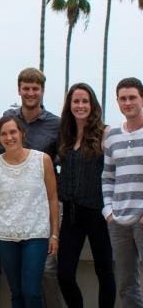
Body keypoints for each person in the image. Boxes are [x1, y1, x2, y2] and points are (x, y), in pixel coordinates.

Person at [3, 68, 63, 307]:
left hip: (44, 205)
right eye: (26, 88)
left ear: (42, 91)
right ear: (19, 90)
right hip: (14, 208)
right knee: (18, 282)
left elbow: (63, 160)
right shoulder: (9, 119)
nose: (30, 93)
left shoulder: (55, 124)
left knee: (48, 271)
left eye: (35, 88)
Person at [0, 116, 59, 308]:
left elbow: (52, 198)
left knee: (32, 292)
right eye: (3, 134)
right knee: (16, 293)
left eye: (13, 132)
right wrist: (1, 230)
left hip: (36, 235)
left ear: (22, 133)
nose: (9, 137)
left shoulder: (42, 160)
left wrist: (54, 234)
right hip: (6, 237)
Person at [56, 83, 116, 307]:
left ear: (92, 105)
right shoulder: (65, 136)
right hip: (71, 215)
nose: (80, 106)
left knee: (104, 271)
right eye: (76, 101)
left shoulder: (106, 133)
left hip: (99, 213)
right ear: (69, 105)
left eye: (85, 101)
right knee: (64, 273)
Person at [102, 77, 143, 307]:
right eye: (123, 98)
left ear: (142, 99)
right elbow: (107, 176)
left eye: (132, 97)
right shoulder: (113, 136)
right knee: (127, 285)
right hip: (118, 221)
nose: (127, 102)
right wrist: (109, 211)